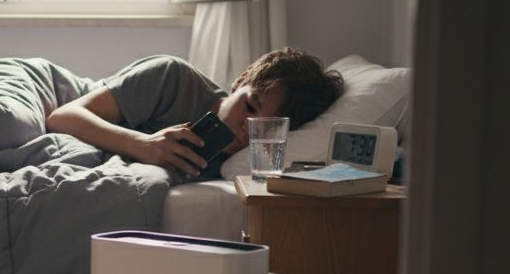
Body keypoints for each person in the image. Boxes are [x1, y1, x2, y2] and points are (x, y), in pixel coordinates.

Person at [46, 47, 345, 179]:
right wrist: (143, 145)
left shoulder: (238, 162)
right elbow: (62, 117)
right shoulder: (173, 78)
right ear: (240, 81)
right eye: (250, 106)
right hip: (56, 95)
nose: (245, 130)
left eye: (263, 129)